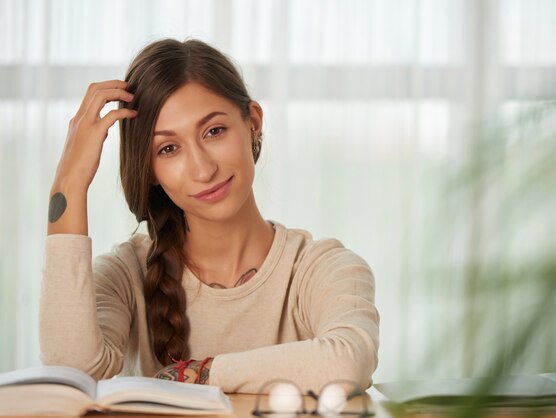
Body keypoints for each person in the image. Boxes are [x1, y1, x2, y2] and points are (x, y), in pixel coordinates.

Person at [40, 38, 379, 394]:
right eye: (168, 148)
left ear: (253, 123)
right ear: (151, 169)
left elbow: (348, 362)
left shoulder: (323, 268)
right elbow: (71, 370)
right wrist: (68, 184)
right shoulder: (126, 274)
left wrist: (200, 373)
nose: (203, 169)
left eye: (214, 131)